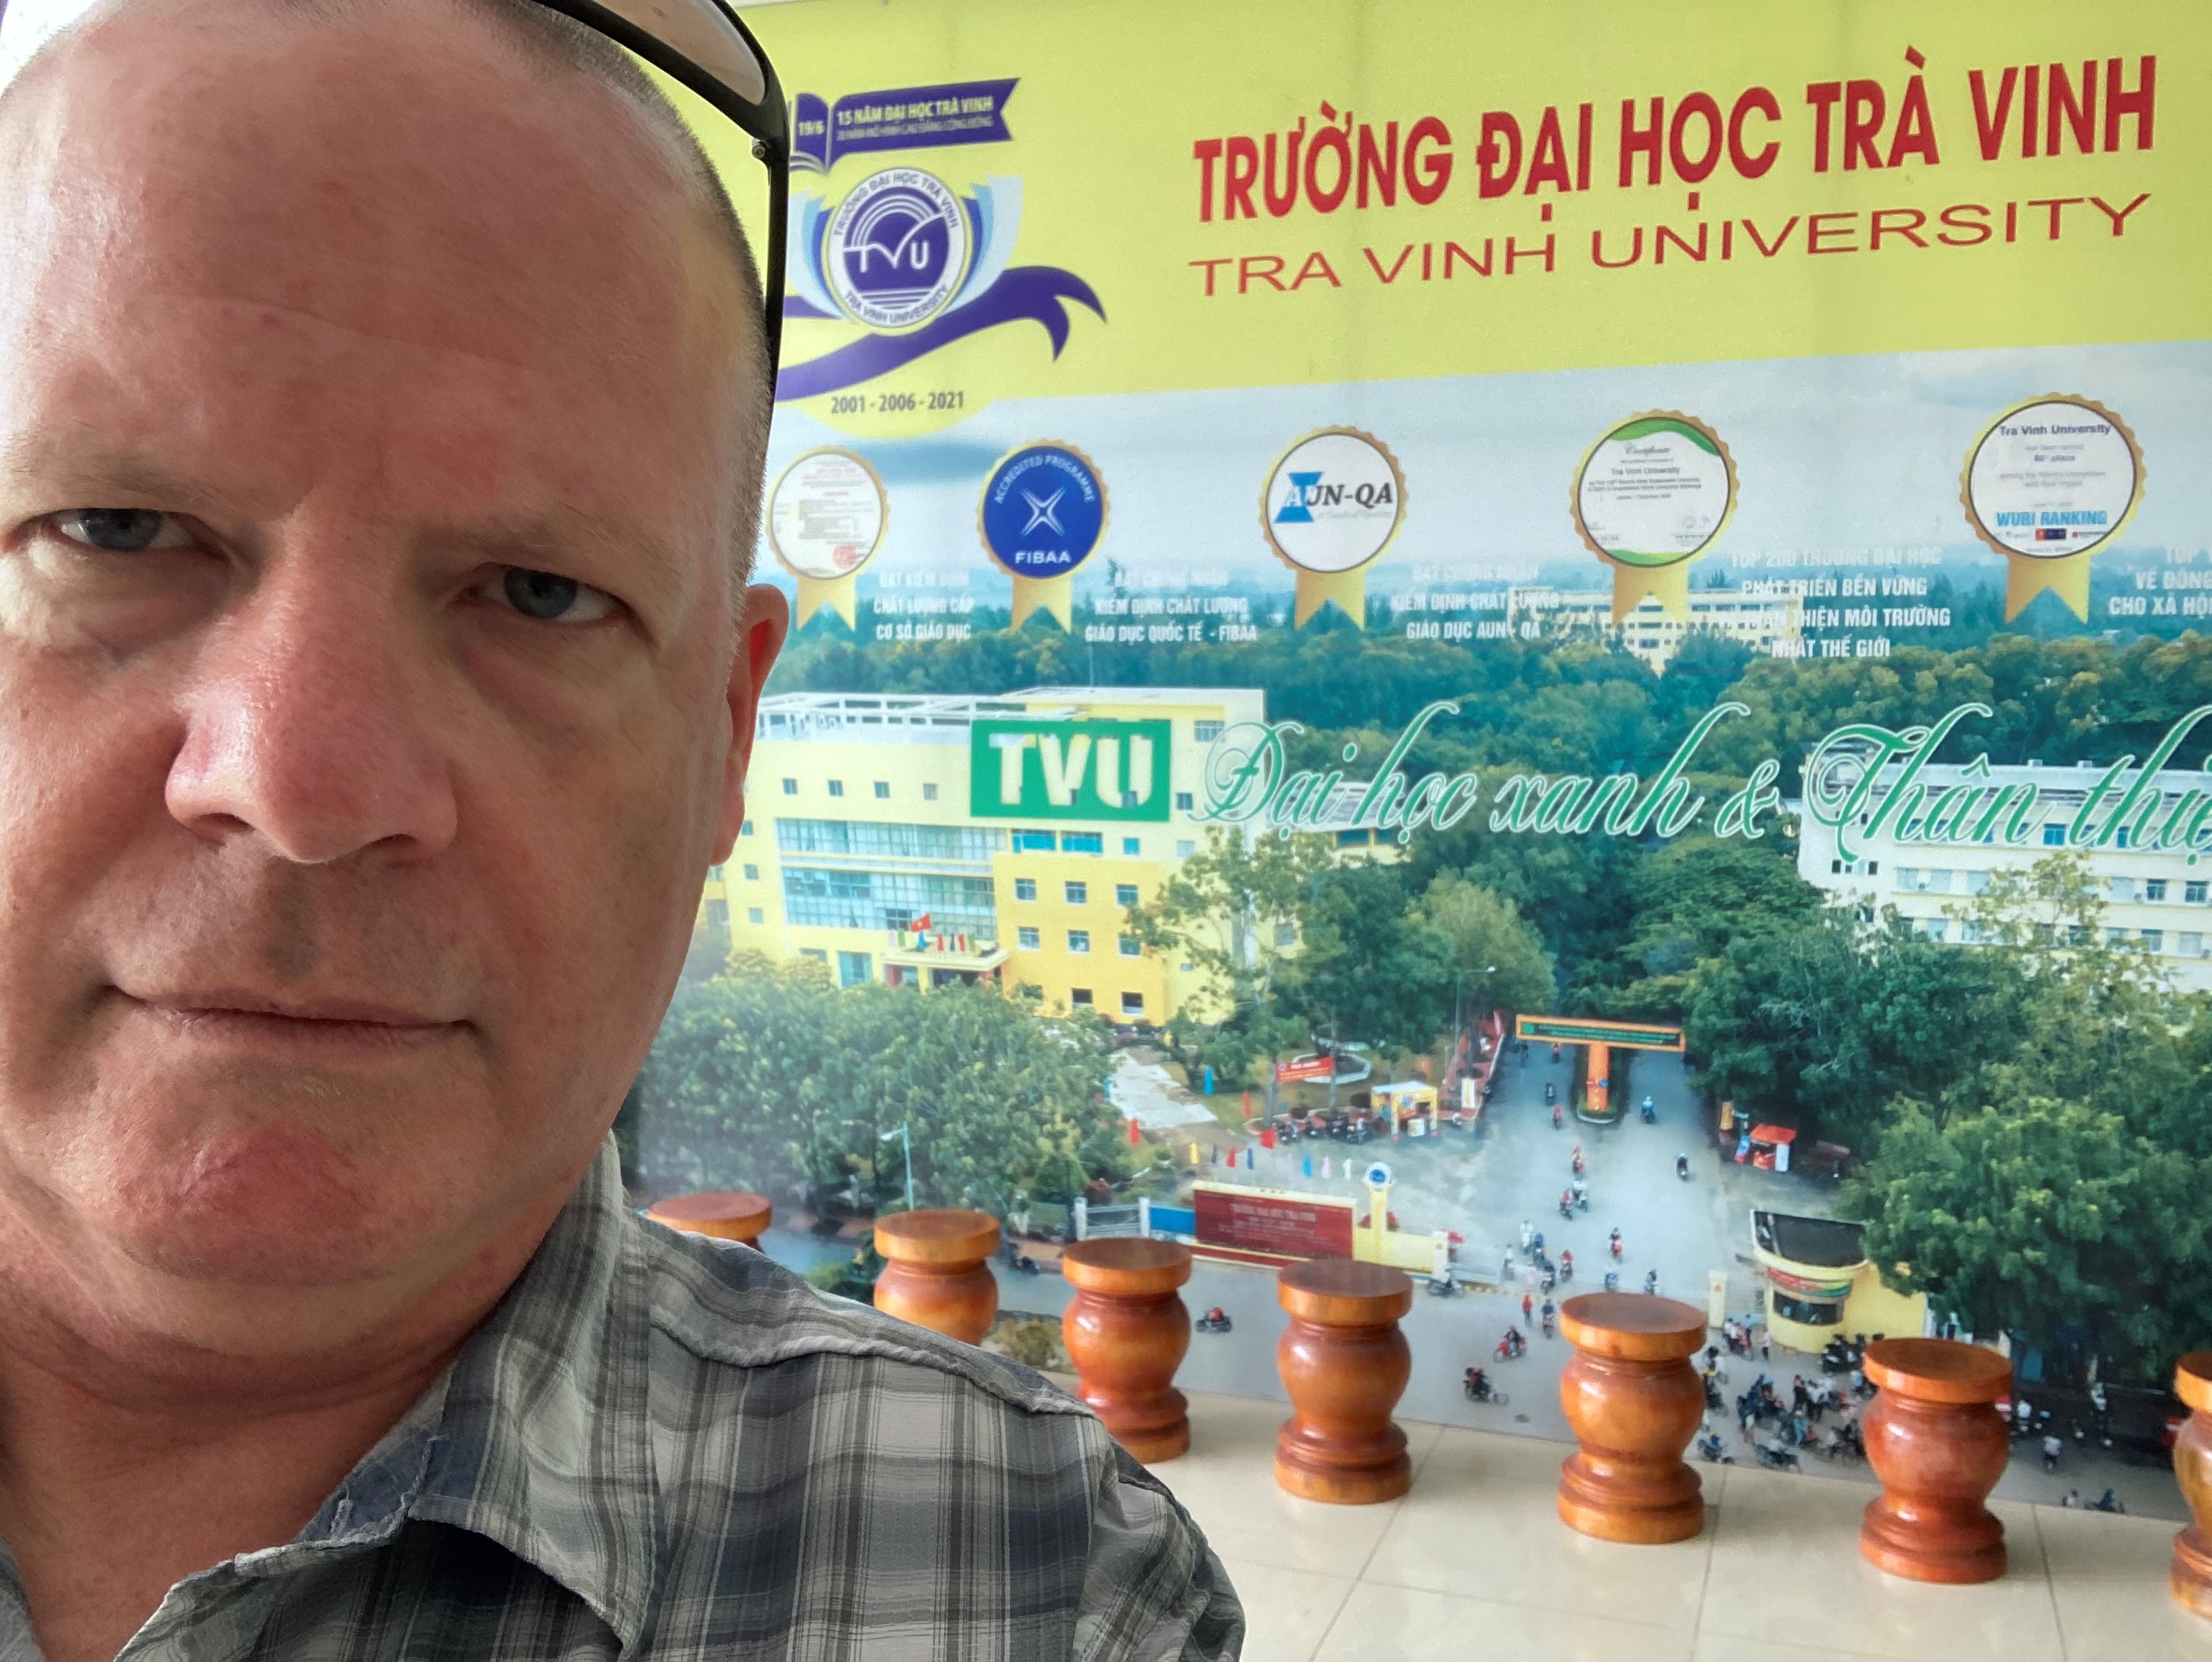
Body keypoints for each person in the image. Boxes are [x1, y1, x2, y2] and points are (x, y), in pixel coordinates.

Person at [0, 2, 1242, 1658]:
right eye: (114, 529)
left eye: (537, 591)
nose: (300, 788)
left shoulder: (1031, 1589)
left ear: (721, 735)